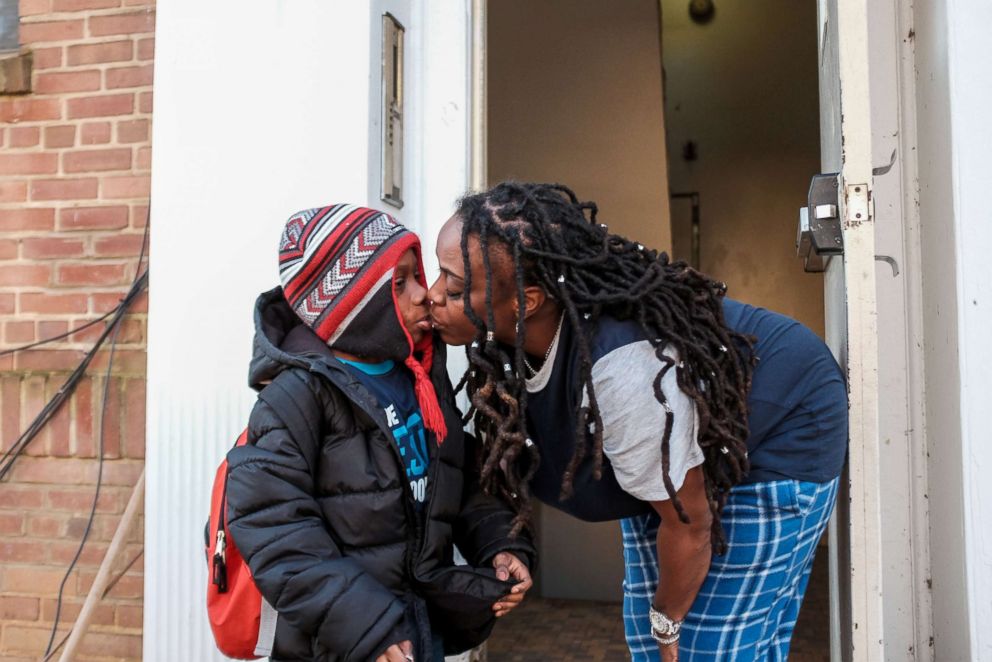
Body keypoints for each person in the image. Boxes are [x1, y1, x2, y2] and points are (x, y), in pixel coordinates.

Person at [426, 183, 848, 662]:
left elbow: (689, 526)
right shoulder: (508, 347)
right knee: (651, 644)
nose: (433, 297)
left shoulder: (620, 367)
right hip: (680, 457)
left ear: (529, 301)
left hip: (781, 426)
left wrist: (668, 619)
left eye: (456, 288)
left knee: (699, 649)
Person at [225, 204, 535, 662]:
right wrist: (365, 626)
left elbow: (457, 477)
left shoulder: (420, 376)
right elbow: (275, 530)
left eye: (416, 276)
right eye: (399, 283)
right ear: (353, 305)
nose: (422, 295)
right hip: (340, 642)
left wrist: (500, 543)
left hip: (414, 629)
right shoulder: (295, 397)